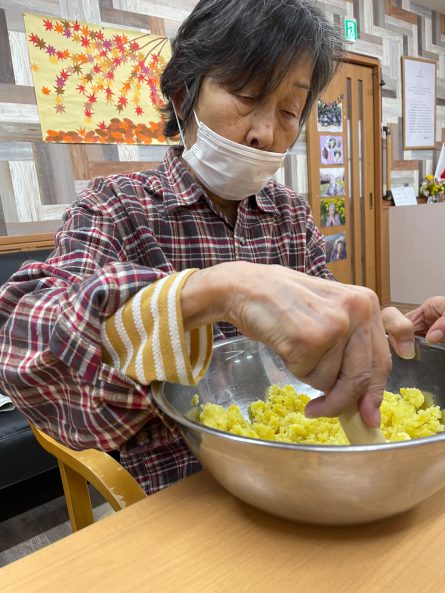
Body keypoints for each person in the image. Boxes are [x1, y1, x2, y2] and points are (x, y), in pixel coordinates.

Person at [0, 0, 405, 495]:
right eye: (245, 95)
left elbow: (325, 319)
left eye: (288, 111)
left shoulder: (289, 215)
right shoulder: (117, 209)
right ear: (181, 94)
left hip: (303, 477)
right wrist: (213, 291)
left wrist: (377, 328)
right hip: (182, 491)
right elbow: (21, 351)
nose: (263, 133)